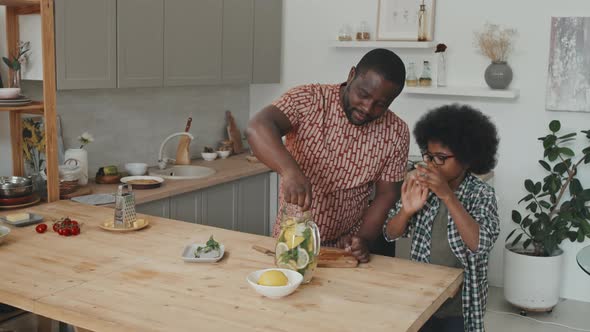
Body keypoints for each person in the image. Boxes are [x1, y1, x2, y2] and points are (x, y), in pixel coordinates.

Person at [246, 49, 409, 262]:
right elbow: (257, 126)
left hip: (345, 249)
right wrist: (289, 171)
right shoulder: (309, 100)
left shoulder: (396, 132)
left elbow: (386, 195)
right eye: (363, 94)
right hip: (293, 240)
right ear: (351, 75)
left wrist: (362, 240)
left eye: (381, 104)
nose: (368, 108)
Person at [383, 104, 500, 332]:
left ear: (467, 159)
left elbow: (480, 244)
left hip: (461, 304)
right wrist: (405, 212)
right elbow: (390, 233)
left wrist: (447, 195)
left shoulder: (481, 194)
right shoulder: (421, 187)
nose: (432, 164)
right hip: (421, 299)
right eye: (429, 156)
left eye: (441, 158)